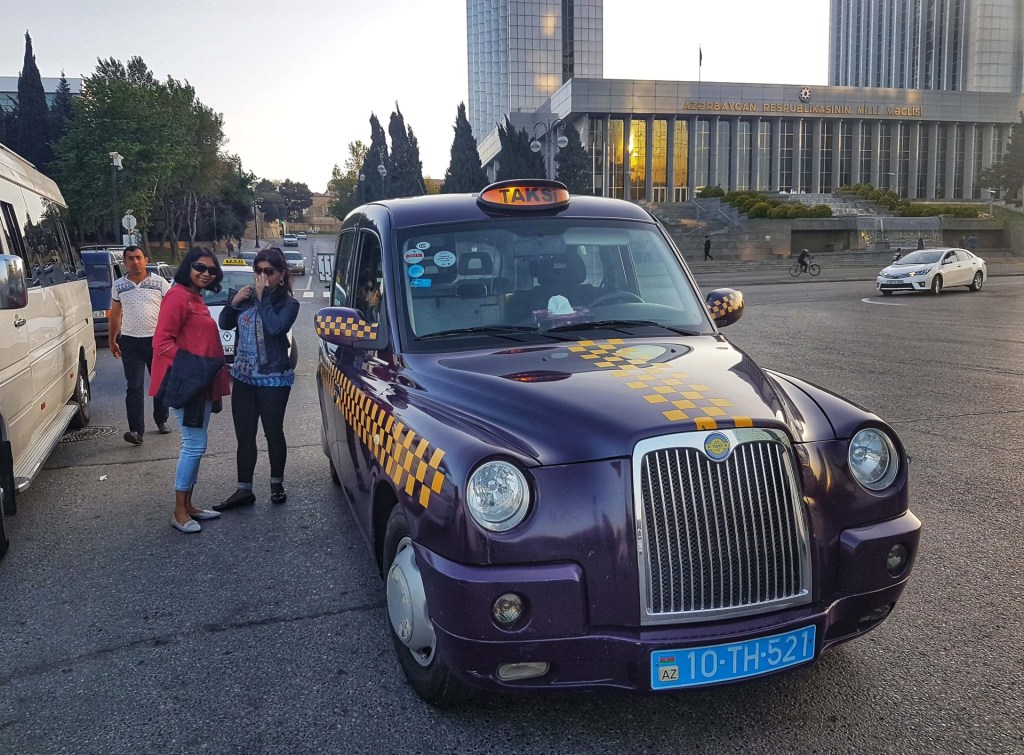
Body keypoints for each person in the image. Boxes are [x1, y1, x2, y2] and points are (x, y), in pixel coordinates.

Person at [151, 247, 231, 534]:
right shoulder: (177, 297)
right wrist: (193, 368)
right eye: (200, 267)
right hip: (188, 384)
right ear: (188, 267)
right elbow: (161, 343)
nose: (206, 273)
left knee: (197, 445)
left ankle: (190, 505)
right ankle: (179, 511)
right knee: (193, 445)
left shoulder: (194, 297)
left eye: (211, 270)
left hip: (200, 382)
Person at [214, 247, 300, 511]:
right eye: (258, 271)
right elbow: (226, 324)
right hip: (243, 377)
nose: (262, 276)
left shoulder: (289, 304)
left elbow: (276, 328)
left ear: (281, 274)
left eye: (269, 272)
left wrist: (262, 298)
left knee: (273, 432)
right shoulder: (247, 298)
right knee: (245, 435)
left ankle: (276, 483)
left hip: (273, 379)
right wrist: (235, 301)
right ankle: (244, 490)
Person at [108, 245, 171, 445]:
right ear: (124, 262)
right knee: (134, 387)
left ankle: (161, 419)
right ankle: (136, 431)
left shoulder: (159, 282)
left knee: (160, 383)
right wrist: (112, 339)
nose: (135, 262)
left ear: (145, 259)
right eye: (130, 259)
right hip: (130, 341)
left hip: (156, 340)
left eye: (138, 257)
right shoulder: (119, 285)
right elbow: (116, 313)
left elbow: (171, 310)